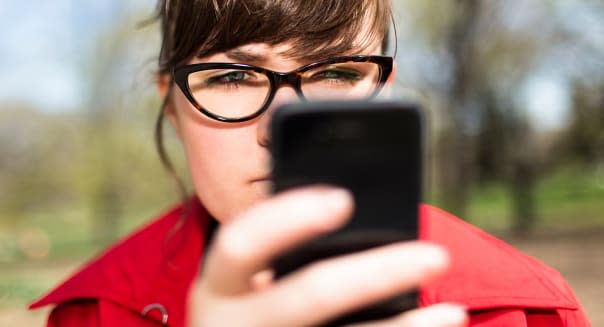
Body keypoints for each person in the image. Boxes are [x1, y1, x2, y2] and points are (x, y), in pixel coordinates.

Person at [30, 0, 590, 326]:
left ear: (382, 90)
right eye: (231, 76)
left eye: (337, 73)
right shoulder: (95, 313)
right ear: (170, 105)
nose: (283, 125)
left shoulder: (525, 312)